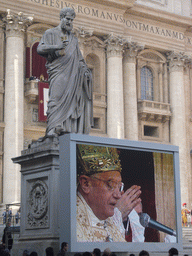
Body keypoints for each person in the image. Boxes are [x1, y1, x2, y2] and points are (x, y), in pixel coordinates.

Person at [37, 7, 92, 136]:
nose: (69, 22)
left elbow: (79, 59)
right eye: (67, 19)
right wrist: (57, 47)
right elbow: (40, 49)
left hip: (73, 75)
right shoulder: (50, 33)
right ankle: (52, 128)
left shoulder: (73, 39)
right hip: (59, 71)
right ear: (61, 18)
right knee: (56, 99)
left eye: (72, 20)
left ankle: (65, 128)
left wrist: (86, 72)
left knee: (72, 101)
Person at [76, 144, 144, 242]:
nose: (118, 195)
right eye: (110, 185)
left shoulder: (110, 221)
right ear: (86, 184)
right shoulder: (73, 224)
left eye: (119, 186)